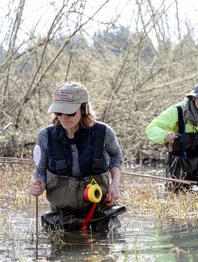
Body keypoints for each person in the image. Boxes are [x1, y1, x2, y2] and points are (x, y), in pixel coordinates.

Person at [30, 81, 126, 233]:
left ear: (84, 109)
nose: (63, 118)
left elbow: (116, 155)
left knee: (111, 244)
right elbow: (40, 171)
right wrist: (37, 184)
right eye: (59, 113)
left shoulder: (103, 132)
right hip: (60, 214)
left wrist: (115, 184)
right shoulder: (45, 136)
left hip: (100, 212)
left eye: (70, 113)